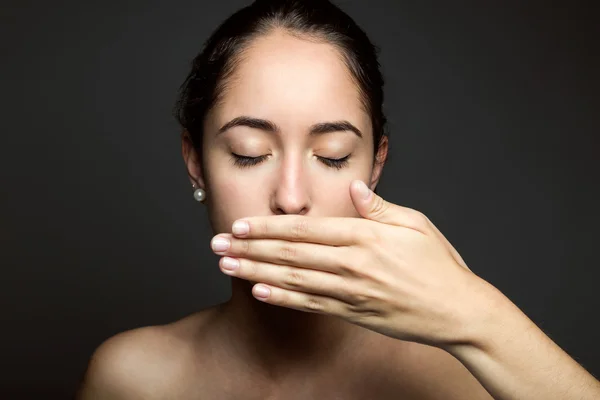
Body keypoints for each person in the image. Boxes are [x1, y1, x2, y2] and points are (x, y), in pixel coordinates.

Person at [77, 1, 600, 399]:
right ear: (196, 162)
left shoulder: (463, 378)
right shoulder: (132, 377)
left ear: (375, 166)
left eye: (331, 155)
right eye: (249, 152)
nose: (290, 198)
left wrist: (478, 315)